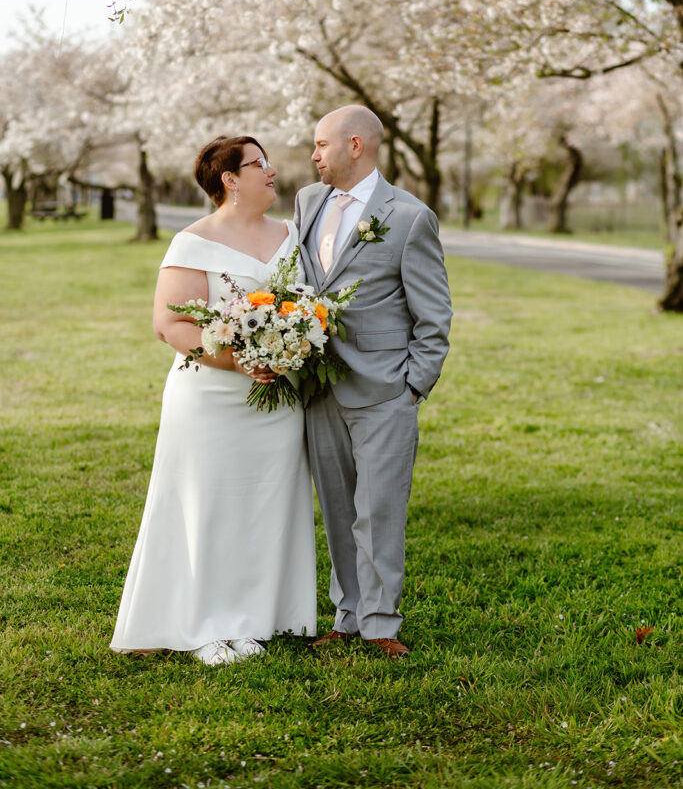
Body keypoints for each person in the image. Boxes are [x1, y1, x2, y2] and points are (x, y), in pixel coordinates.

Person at [110, 136, 316, 665]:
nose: (271, 171)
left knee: (264, 506)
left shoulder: (294, 235)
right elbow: (170, 324)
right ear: (230, 178)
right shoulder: (192, 241)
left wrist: (293, 343)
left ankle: (253, 619)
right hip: (209, 398)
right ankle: (204, 625)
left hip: (277, 400)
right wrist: (238, 360)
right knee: (209, 506)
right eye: (259, 164)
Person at [294, 105, 452, 659]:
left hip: (386, 390)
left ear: (355, 145)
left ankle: (381, 623)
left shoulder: (409, 217)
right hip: (319, 386)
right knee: (337, 510)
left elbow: (433, 316)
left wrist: (414, 386)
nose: (314, 155)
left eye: (321, 144)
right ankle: (347, 614)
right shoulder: (307, 203)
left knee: (378, 510)